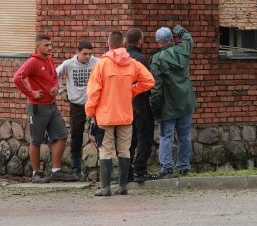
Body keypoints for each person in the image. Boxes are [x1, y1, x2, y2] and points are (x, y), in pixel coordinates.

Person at [85, 30, 154, 196]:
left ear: (108, 44)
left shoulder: (101, 64)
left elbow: (94, 92)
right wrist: (131, 91)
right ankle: (123, 186)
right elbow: (149, 81)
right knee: (124, 150)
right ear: (123, 45)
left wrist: (90, 111)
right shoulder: (132, 63)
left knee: (105, 151)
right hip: (125, 114)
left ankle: (105, 188)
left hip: (105, 115)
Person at [13, 34, 77, 183]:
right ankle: (36, 173)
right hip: (37, 107)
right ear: (37, 47)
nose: (50, 47)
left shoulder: (49, 59)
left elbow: (55, 76)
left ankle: (56, 171)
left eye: (50, 44)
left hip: (52, 105)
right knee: (36, 140)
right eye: (46, 45)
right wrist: (31, 93)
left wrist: (55, 87)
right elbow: (17, 78)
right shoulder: (32, 62)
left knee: (61, 135)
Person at [149, 25, 197, 179]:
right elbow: (189, 39)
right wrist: (179, 29)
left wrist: (154, 107)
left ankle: (167, 168)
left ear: (159, 41)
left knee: (166, 137)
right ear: (171, 39)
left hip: (168, 106)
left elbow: (156, 87)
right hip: (185, 103)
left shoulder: (158, 58)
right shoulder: (183, 50)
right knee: (184, 136)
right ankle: (183, 167)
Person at [56, 40, 99, 180]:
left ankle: (102, 167)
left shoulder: (96, 62)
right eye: (85, 54)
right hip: (77, 105)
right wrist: (61, 91)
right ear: (78, 52)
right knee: (76, 136)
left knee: (100, 133)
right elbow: (54, 74)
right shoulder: (69, 64)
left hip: (94, 104)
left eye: (90, 54)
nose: (87, 57)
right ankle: (76, 169)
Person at [125, 27, 155, 183]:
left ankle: (127, 172)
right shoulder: (140, 59)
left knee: (129, 140)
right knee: (145, 137)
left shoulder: (121, 58)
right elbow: (148, 82)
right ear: (140, 41)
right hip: (140, 105)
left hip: (123, 105)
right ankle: (140, 171)